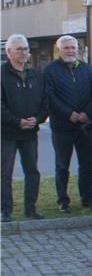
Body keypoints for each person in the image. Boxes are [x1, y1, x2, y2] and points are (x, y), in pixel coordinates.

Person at [44, 35, 92, 213]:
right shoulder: (50, 70)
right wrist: (69, 114)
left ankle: (87, 198)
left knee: (87, 164)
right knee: (62, 165)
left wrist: (87, 113)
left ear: (78, 49)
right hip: (62, 126)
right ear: (59, 50)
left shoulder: (87, 69)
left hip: (84, 125)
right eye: (66, 48)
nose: (70, 51)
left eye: (73, 47)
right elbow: (50, 96)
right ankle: (63, 200)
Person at [1, 34, 48, 221]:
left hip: (30, 132)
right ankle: (5, 210)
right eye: (18, 49)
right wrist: (16, 121)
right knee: (5, 173)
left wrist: (37, 119)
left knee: (32, 171)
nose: (23, 52)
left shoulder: (36, 75)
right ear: (8, 52)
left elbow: (45, 101)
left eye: (25, 49)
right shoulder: (2, 74)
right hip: (7, 133)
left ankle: (31, 208)